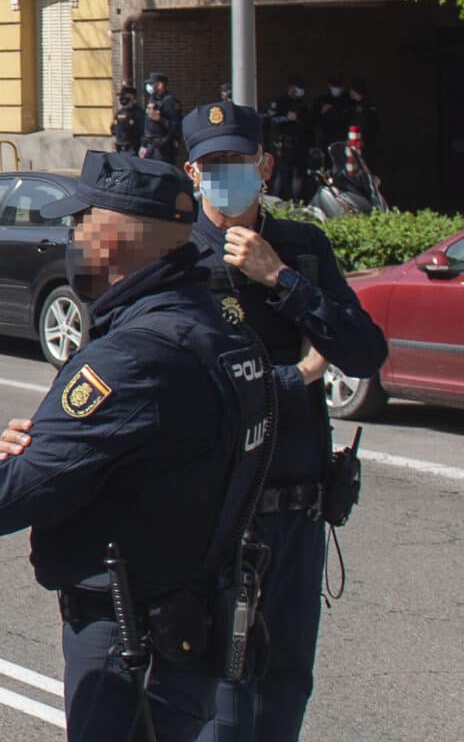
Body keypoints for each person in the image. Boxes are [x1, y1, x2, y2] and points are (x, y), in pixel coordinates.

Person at [0, 152, 276, 741]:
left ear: (120, 234)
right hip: (200, 621)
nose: (72, 235)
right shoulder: (223, 328)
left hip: (132, 645)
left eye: (83, 221)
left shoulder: (130, 358)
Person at [181, 103, 388, 741]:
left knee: (285, 683)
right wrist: (295, 377)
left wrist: (282, 278)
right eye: (215, 165)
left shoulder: (301, 248)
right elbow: (186, 390)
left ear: (265, 165)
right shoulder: (177, 258)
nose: (229, 175)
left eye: (240, 162)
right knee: (222, 691)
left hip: (297, 513)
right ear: (192, 172)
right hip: (215, 513)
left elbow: (363, 352)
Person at [265, 80, 312, 203]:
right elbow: (272, 121)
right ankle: (277, 201)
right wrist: (287, 118)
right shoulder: (280, 102)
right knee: (282, 175)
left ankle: (297, 202)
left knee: (298, 175)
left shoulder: (302, 105)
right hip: (283, 146)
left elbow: (308, 125)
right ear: (291, 88)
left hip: (299, 145)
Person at [142, 73, 183, 164]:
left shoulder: (170, 101)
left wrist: (160, 119)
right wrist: (143, 145)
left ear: (160, 85)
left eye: (152, 84)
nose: (149, 87)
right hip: (150, 147)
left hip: (163, 149)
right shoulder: (152, 99)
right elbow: (147, 125)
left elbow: (176, 127)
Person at [111, 86, 146, 156]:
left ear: (132, 97)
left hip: (134, 149)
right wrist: (114, 144)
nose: (122, 98)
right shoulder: (119, 113)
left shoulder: (139, 113)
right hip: (120, 150)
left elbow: (144, 132)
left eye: (124, 95)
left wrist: (143, 147)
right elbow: (114, 130)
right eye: (121, 96)